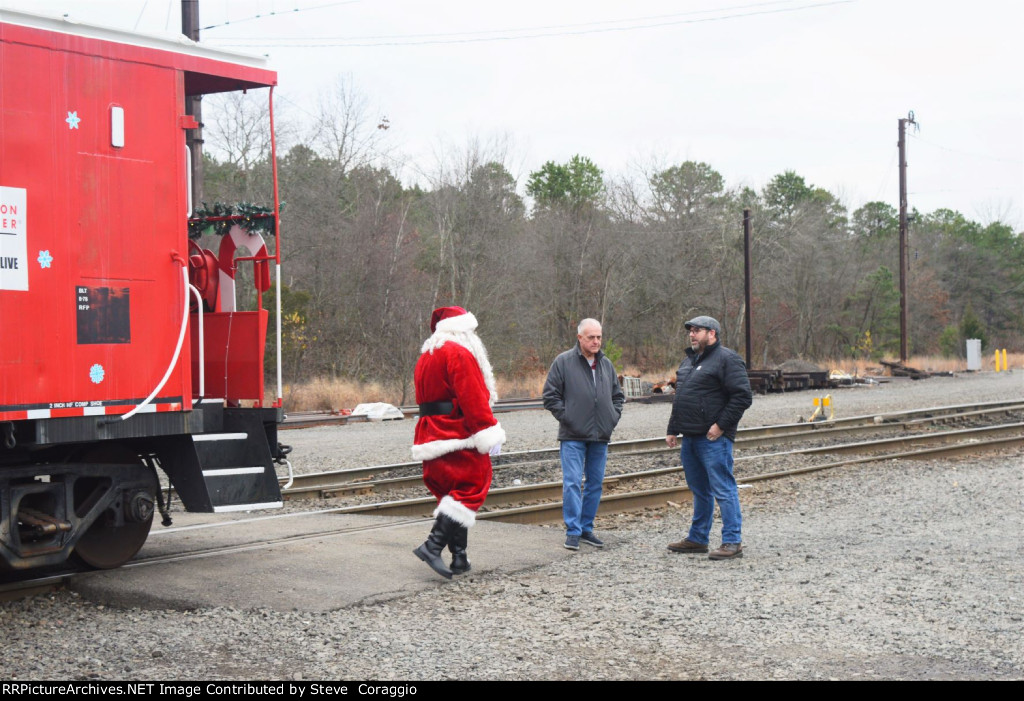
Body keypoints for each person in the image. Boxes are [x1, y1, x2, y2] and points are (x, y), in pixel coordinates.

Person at [411, 306, 506, 579]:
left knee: (451, 495)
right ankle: (432, 546)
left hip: (431, 433)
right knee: (471, 487)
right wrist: (488, 431)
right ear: (462, 330)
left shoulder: (427, 355)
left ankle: (459, 558)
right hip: (457, 433)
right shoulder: (459, 353)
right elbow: (473, 397)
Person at [665, 315, 752, 560]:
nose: (692, 334)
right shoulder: (688, 363)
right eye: (690, 330)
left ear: (712, 333)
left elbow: (742, 397)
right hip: (690, 436)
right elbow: (680, 398)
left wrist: (721, 426)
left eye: (697, 330)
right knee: (699, 490)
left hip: (714, 438)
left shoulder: (727, 359)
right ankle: (698, 538)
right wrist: (673, 428)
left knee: (723, 489)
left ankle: (732, 541)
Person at [543, 318, 624, 550]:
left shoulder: (606, 364)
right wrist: (569, 418)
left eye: (599, 337)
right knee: (571, 483)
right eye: (591, 337)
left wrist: (611, 418)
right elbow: (550, 396)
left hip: (600, 435)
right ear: (580, 338)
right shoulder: (564, 362)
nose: (596, 341)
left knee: (595, 483)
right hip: (573, 436)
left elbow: (618, 396)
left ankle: (586, 528)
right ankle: (573, 531)